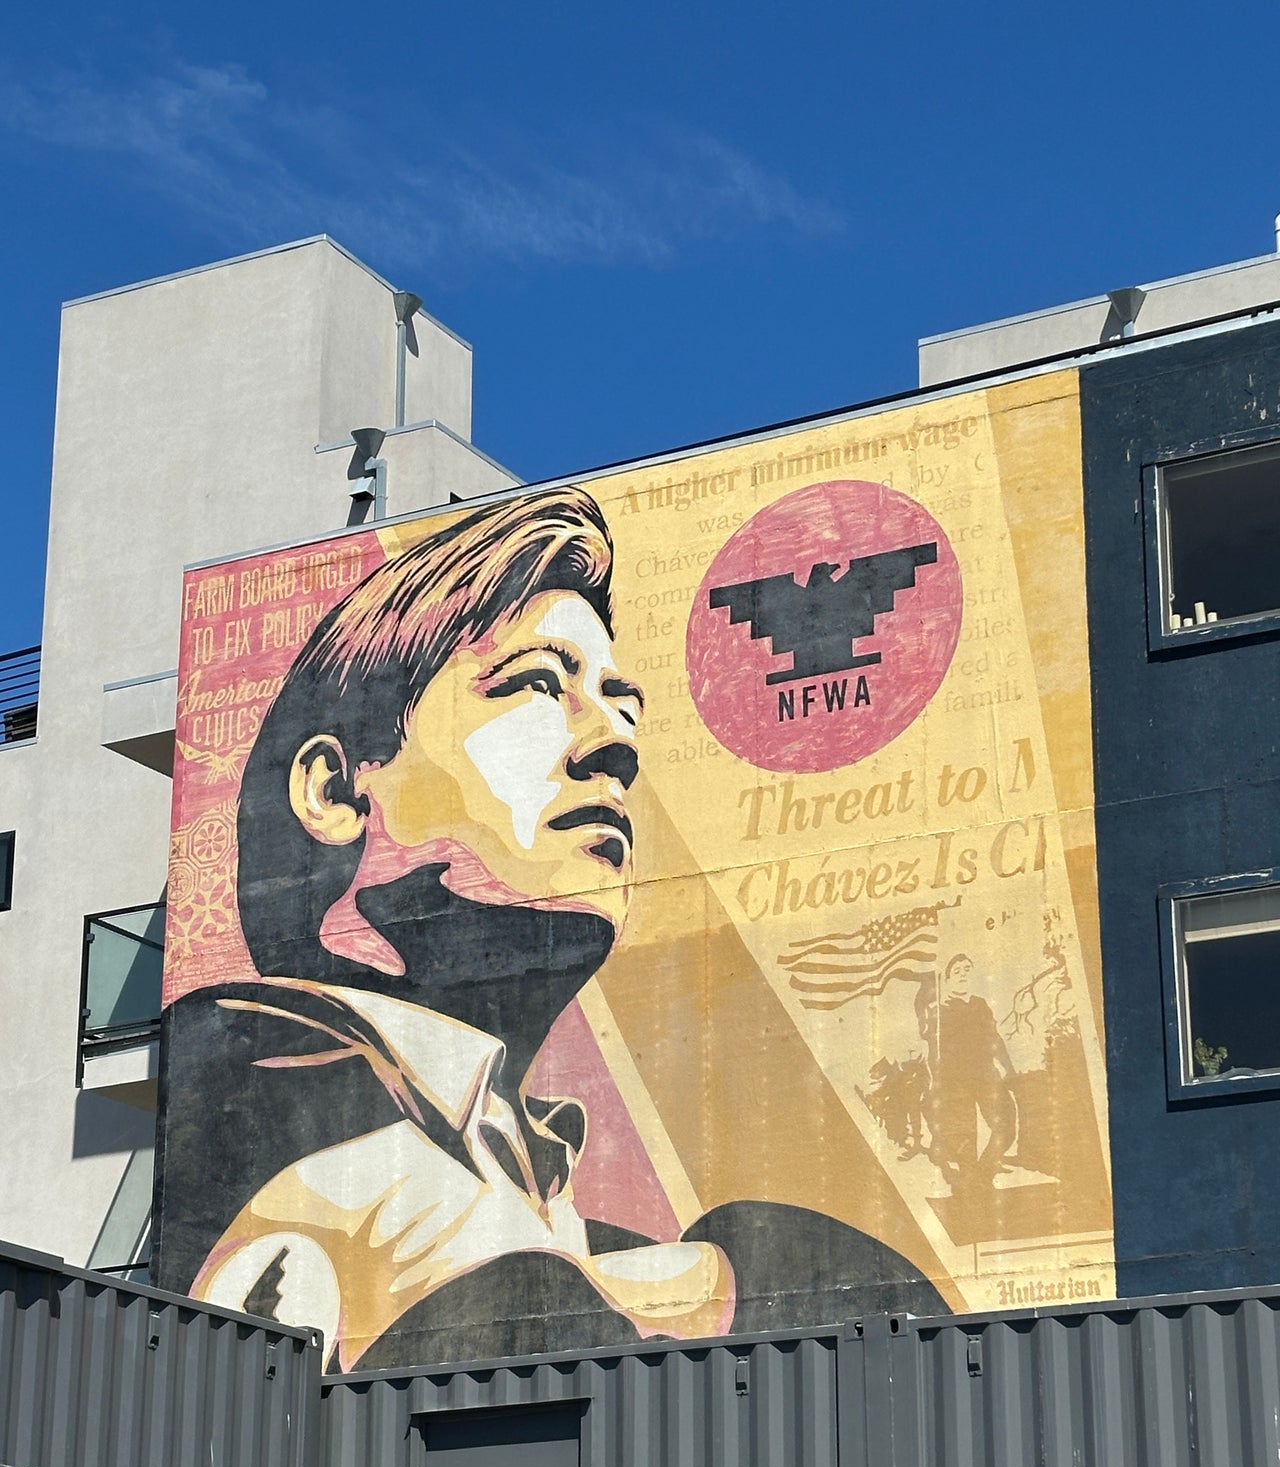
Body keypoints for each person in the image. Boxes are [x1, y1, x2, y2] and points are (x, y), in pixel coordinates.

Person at [156, 487, 942, 1369]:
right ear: (336, 792)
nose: (615, 740)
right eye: (538, 683)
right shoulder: (264, 1119)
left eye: (622, 701)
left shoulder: (567, 1214)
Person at [919, 954, 1017, 1181]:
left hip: (985, 1075)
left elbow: (995, 1039)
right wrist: (935, 1081)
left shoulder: (980, 1005)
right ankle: (969, 1185)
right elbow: (933, 1050)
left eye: (967, 969)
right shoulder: (938, 1011)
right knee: (964, 1139)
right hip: (954, 1081)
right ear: (947, 979)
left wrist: (1009, 1069)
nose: (963, 974)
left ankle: (982, 1174)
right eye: (957, 971)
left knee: (1006, 1126)